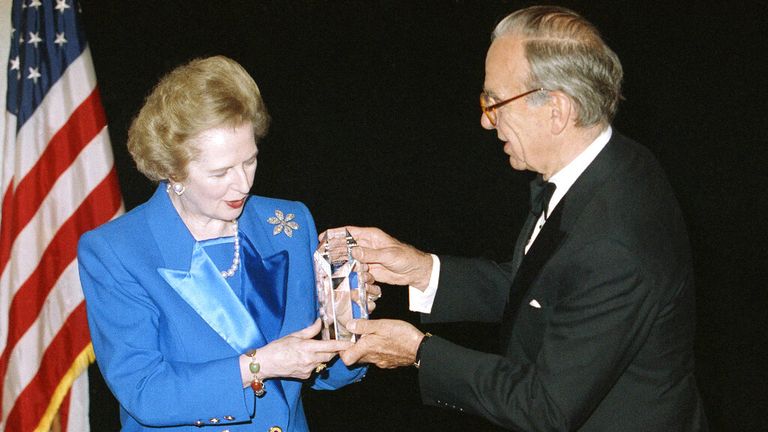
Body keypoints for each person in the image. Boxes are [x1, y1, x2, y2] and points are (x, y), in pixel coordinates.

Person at [338, 5, 708, 431]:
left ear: (557, 110)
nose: (484, 120)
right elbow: (543, 289)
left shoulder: (615, 239)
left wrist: (419, 351)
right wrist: (422, 271)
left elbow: (545, 408)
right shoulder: (606, 166)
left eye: (496, 102)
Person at [78, 56, 373, 432]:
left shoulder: (288, 224)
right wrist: (258, 365)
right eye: (220, 172)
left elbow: (322, 374)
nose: (243, 185)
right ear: (172, 169)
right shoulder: (118, 251)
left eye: (249, 161)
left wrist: (346, 325)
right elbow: (145, 392)